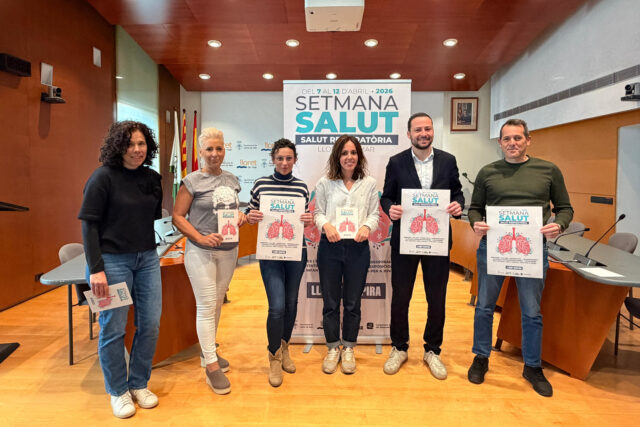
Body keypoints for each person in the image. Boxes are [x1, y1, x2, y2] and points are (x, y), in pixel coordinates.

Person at [467, 118, 573, 397]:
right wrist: (476, 223)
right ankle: (481, 357)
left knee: (531, 311)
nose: (512, 143)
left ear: (528, 140)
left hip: (532, 250)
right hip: (492, 248)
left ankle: (532, 366)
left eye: (517, 138)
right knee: (484, 307)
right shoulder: (488, 172)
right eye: (507, 139)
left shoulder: (548, 170)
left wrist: (559, 224)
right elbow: (475, 208)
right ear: (500, 142)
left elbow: (565, 208)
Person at [79, 121, 163, 419]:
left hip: (147, 260)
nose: (137, 150)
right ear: (118, 146)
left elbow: (150, 220)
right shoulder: (102, 177)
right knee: (113, 328)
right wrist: (96, 269)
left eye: (141, 144)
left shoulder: (152, 178)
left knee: (150, 324)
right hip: (111, 262)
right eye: (130, 144)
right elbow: (89, 225)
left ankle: (139, 383)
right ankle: (117, 390)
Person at [380, 112, 464, 379]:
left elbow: (457, 192)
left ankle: (433, 350)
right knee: (401, 297)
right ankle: (399, 347)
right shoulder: (396, 162)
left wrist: (458, 205)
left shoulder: (448, 160)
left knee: (436, 298)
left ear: (432, 131)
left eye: (427, 128)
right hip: (405, 240)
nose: (423, 133)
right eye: (418, 130)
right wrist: (390, 209)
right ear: (409, 134)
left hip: (437, 241)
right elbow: (386, 196)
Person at [172, 127, 245, 395]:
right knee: (205, 305)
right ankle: (212, 367)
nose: (215, 153)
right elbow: (178, 217)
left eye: (219, 148)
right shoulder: (191, 181)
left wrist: (241, 216)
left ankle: (207, 352)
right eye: (209, 149)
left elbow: (233, 212)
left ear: (225, 150)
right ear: (201, 152)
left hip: (229, 251)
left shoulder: (232, 180)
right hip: (200, 252)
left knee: (216, 304)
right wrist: (200, 238)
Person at [245, 138, 313, 387]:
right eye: (280, 158)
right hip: (270, 253)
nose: (284, 163)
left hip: (296, 252)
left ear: (295, 160)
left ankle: (285, 347)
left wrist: (308, 219)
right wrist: (251, 216)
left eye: (289, 158)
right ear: (273, 159)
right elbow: (249, 214)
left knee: (291, 303)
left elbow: (305, 218)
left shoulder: (302, 187)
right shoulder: (261, 184)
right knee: (277, 307)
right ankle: (273, 355)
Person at [313, 135, 379, 374]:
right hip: (330, 247)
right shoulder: (325, 183)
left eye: (353, 152)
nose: (349, 157)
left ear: (359, 156)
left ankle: (349, 346)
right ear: (337, 157)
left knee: (352, 302)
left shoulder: (369, 183)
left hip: (358, 249)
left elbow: (374, 214)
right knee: (330, 302)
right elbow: (318, 213)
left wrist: (367, 227)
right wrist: (326, 225)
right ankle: (333, 347)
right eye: (344, 153)